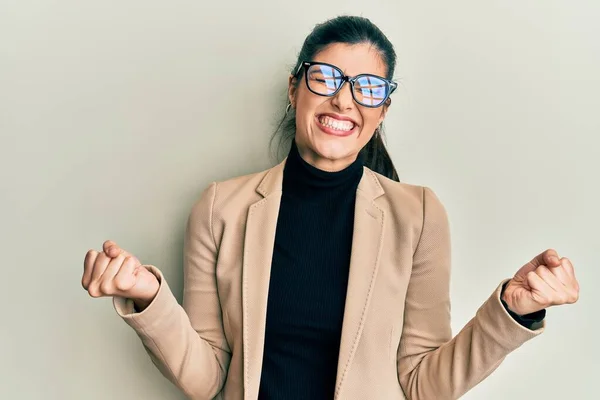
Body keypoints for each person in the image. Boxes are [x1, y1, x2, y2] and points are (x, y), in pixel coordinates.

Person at [81, 15, 580, 400]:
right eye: (326, 78)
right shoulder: (220, 209)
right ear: (295, 89)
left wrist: (514, 312)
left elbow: (423, 383)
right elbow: (207, 377)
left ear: (382, 111)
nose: (344, 101)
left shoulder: (420, 215)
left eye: (367, 88)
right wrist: (149, 298)